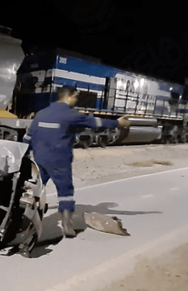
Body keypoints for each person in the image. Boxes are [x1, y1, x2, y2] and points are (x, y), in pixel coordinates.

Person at [23, 86, 130, 237]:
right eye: (76, 98)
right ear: (70, 97)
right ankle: (67, 225)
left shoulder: (41, 113)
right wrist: (118, 123)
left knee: (37, 190)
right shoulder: (70, 115)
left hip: (39, 159)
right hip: (59, 162)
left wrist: (25, 155)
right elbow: (95, 123)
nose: (76, 101)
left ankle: (28, 219)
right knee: (65, 192)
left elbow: (28, 137)